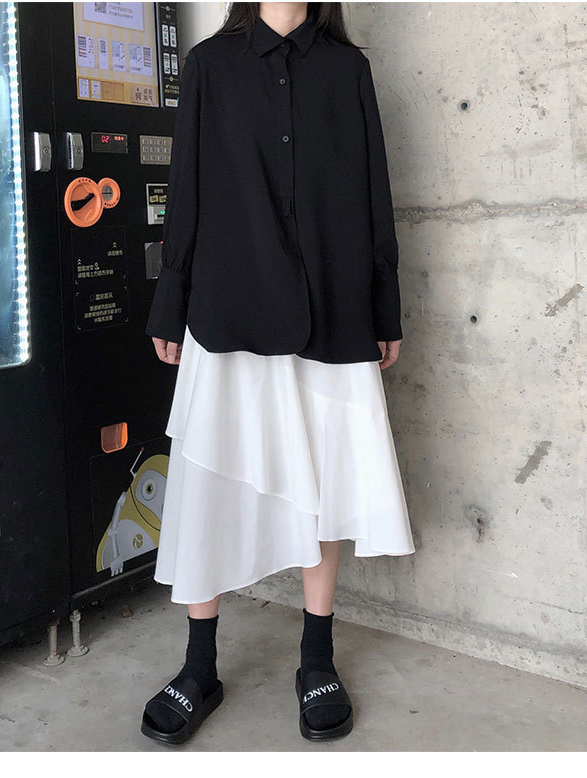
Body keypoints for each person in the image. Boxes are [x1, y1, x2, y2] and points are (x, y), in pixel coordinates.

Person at [140, 2, 415, 745]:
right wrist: (171, 301)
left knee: (322, 486)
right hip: (229, 306)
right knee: (208, 485)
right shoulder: (209, 66)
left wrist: (384, 307)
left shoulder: (347, 70)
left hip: (332, 306)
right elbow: (186, 192)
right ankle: (199, 666)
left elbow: (374, 194)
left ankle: (316, 657)